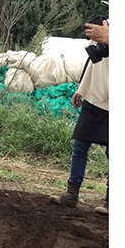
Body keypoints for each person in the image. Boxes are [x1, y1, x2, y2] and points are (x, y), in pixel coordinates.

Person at [49, 16, 109, 215]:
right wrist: (81, 88)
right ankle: (71, 194)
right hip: (94, 96)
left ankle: (111, 201)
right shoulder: (105, 28)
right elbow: (93, 62)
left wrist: (110, 39)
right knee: (79, 145)